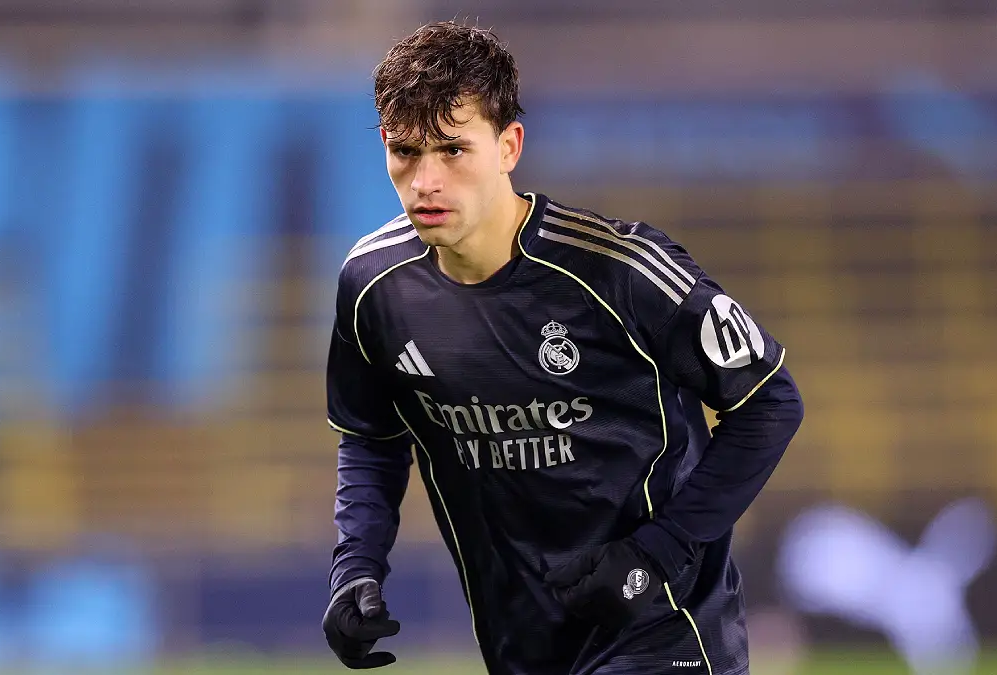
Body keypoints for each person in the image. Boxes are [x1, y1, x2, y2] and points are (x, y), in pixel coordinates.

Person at [321, 20, 803, 675]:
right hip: (522, 642)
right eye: (406, 151)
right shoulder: (372, 286)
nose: (425, 180)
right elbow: (372, 439)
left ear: (508, 146)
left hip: (664, 630)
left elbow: (770, 400)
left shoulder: (621, 269)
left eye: (453, 150)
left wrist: (657, 552)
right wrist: (355, 569)